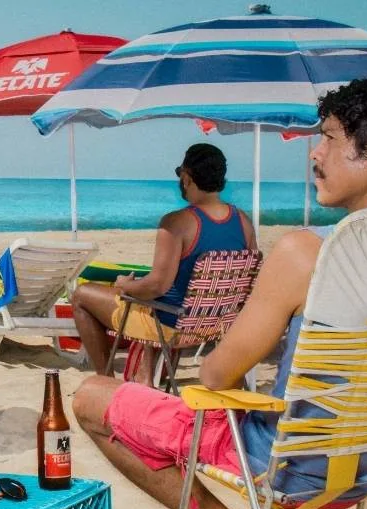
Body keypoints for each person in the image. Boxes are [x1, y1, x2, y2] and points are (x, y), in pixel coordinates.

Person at [72, 79, 367, 509]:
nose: (315, 152)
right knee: (290, 406)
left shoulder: (306, 255)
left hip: (295, 467)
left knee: (92, 397)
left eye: (330, 138)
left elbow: (216, 371)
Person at [71, 143, 256, 384]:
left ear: (187, 177)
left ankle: (106, 381)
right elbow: (250, 278)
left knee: (82, 296)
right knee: (156, 301)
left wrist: (124, 286)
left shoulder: (176, 222)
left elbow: (156, 285)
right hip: (216, 324)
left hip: (171, 325)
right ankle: (145, 379)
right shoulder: (242, 220)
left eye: (181, 174)